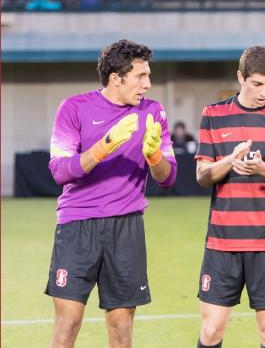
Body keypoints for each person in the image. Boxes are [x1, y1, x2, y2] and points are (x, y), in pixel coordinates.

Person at [45, 39, 177, 348]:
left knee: (121, 326)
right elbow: (59, 171)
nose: (148, 84)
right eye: (140, 77)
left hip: (127, 226)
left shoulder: (154, 112)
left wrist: (154, 156)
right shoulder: (73, 108)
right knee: (69, 321)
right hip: (78, 225)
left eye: (148, 75)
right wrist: (104, 146)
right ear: (116, 78)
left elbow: (169, 178)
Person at [194, 46, 265, 348]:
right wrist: (229, 160)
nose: (264, 92)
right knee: (211, 331)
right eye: (257, 84)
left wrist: (262, 168)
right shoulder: (213, 115)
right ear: (240, 77)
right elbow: (202, 176)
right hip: (223, 242)